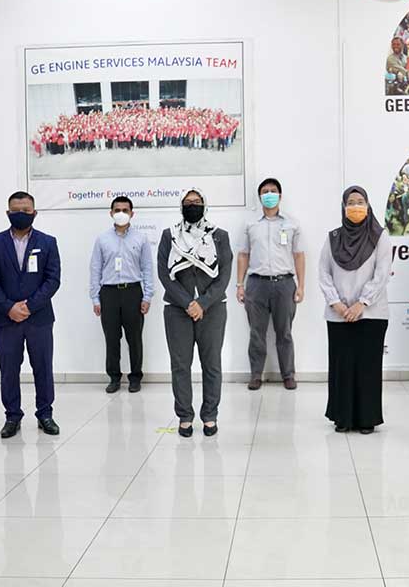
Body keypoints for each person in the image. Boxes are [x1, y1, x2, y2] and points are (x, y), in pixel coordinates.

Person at [0, 191, 62, 438]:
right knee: (8, 369)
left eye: (26, 211)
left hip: (39, 318)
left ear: (34, 213)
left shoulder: (48, 242)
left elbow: (53, 279)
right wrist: (9, 307)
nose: (21, 214)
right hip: (6, 319)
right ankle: (12, 416)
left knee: (43, 367)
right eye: (16, 210)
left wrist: (29, 306)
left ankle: (45, 414)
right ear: (8, 213)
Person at [158, 189, 233, 438]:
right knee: (180, 365)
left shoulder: (219, 236)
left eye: (197, 201)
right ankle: (185, 416)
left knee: (212, 364)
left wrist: (202, 303)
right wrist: (188, 303)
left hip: (213, 309)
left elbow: (224, 275)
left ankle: (210, 415)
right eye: (188, 202)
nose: (192, 205)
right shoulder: (169, 235)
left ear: (205, 205)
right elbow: (164, 274)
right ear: (181, 207)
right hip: (176, 310)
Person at [318, 186, 392, 434]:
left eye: (360, 201)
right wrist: (337, 304)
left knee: (367, 366)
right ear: (343, 207)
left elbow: (382, 274)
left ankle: (367, 418)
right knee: (342, 366)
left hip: (371, 313)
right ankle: (343, 417)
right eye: (351, 202)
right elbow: (323, 272)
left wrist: (362, 303)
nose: (356, 206)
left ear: (368, 205)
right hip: (338, 314)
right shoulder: (333, 238)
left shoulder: (380, 237)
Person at [236, 178, 306, 390]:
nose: (269, 194)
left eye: (273, 191)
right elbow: (243, 255)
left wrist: (301, 286)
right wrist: (240, 285)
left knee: (284, 332)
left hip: (284, 284)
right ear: (260, 197)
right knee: (256, 333)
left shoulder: (292, 224)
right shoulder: (250, 224)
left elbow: (299, 255)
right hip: (256, 284)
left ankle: (288, 375)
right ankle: (256, 375)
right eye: (265, 191)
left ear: (280, 196)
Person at [89, 195, 154, 394]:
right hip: (108, 293)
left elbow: (147, 268)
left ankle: (135, 377)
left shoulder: (141, 239)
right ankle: (114, 378)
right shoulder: (102, 239)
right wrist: (95, 298)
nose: (121, 213)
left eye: (125, 210)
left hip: (133, 292)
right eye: (117, 210)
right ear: (111, 213)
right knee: (111, 338)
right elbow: (95, 268)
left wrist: (147, 296)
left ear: (132, 214)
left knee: (134, 338)